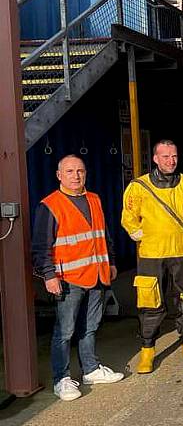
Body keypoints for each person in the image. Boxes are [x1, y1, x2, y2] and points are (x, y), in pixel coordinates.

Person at [32, 155, 124, 401]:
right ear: (59, 175)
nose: (76, 175)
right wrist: (48, 276)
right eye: (70, 171)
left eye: (80, 170)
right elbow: (42, 246)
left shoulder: (94, 199)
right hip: (69, 278)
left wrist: (112, 261)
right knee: (65, 331)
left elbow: (105, 235)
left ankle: (91, 369)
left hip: (97, 275)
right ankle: (61, 379)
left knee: (90, 326)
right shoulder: (49, 205)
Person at [121, 140, 183, 374]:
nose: (171, 161)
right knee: (150, 304)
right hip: (152, 255)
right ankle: (147, 352)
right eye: (165, 156)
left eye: (174, 156)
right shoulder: (138, 187)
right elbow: (128, 215)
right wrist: (136, 232)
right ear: (155, 159)